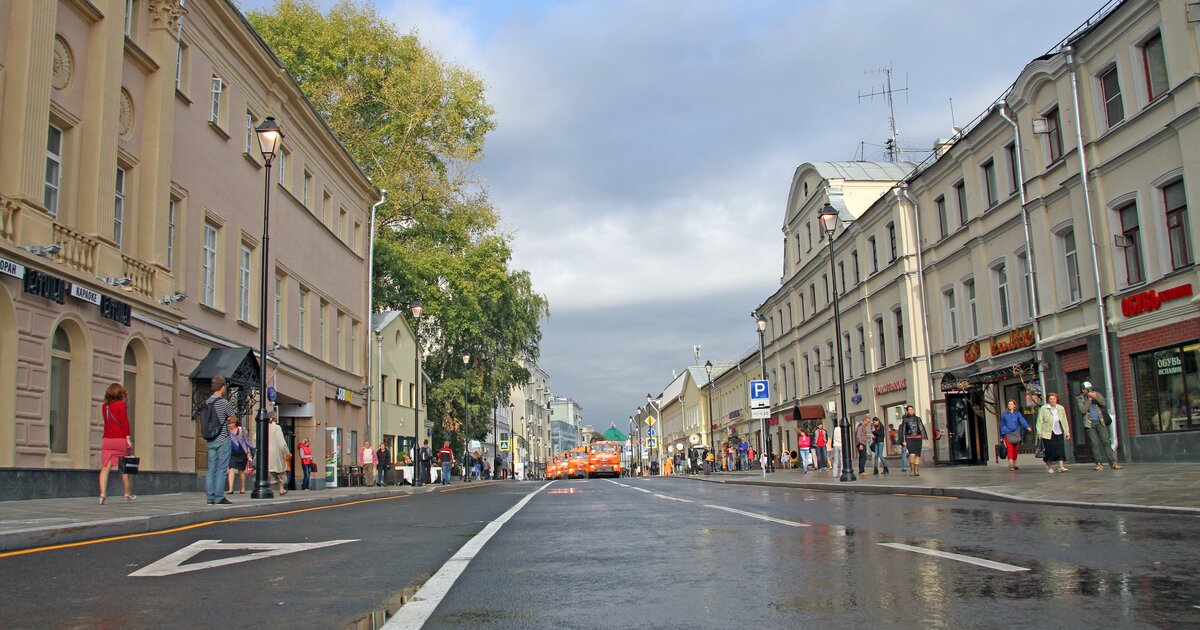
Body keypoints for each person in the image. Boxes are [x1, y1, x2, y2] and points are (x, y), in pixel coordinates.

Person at [98, 383, 134, 504]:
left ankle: (102, 494)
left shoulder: (104, 406)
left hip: (107, 441)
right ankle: (127, 494)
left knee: (105, 468)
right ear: (120, 393)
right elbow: (124, 422)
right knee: (124, 469)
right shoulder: (121, 404)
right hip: (120, 440)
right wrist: (128, 438)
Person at [1076, 382, 1123, 470]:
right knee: (1094, 444)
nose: (1090, 390)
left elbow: (1104, 404)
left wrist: (1095, 397)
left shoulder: (1097, 394)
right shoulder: (1080, 398)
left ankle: (1113, 462)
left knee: (1106, 442)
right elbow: (1083, 410)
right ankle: (1099, 463)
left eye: (1090, 388)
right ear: (1083, 390)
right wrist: (1089, 399)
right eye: (1087, 389)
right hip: (1089, 423)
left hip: (1100, 422)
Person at [204, 376, 236, 505]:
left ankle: (210, 498)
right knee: (222, 469)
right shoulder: (223, 402)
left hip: (210, 439)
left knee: (211, 468)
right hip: (223, 439)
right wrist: (228, 420)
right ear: (222, 387)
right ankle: (218, 497)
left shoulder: (207, 402)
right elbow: (233, 418)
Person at [1037, 392, 1071, 474]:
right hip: (1047, 432)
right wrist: (1039, 433)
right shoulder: (1043, 408)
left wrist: (1067, 432)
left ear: (1057, 400)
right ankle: (1050, 467)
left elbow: (1064, 421)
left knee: (1060, 449)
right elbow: (1039, 421)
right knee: (1049, 450)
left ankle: (1061, 466)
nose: (1052, 401)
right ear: (1048, 400)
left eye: (1054, 399)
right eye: (1050, 399)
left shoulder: (1060, 408)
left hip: (1058, 431)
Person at [999, 400, 1032, 470]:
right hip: (1007, 433)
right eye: (1009, 404)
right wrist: (1001, 436)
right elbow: (1001, 425)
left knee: (1015, 449)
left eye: (1011, 404)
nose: (1010, 405)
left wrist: (1027, 426)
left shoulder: (1017, 414)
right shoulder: (1004, 415)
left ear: (1014, 406)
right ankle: (1011, 464)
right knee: (1009, 448)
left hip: (1016, 433)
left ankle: (1014, 463)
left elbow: (1022, 420)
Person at [227, 417, 253, 494]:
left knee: (241, 470)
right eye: (228, 424)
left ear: (235, 423)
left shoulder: (242, 430)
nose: (230, 425)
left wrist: (250, 450)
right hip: (232, 453)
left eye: (231, 423)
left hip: (242, 452)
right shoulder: (227, 431)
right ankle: (230, 489)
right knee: (231, 469)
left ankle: (242, 488)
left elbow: (247, 440)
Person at [900, 405, 927, 476]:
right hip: (909, 438)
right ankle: (912, 470)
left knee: (917, 455)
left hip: (918, 438)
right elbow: (903, 430)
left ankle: (916, 470)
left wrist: (924, 437)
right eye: (909, 410)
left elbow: (921, 427)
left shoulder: (918, 418)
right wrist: (903, 440)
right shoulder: (905, 419)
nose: (911, 411)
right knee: (912, 454)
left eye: (912, 409)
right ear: (907, 411)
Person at [268, 414, 290, 495]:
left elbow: (255, 437)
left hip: (266, 452)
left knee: (268, 471)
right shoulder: (277, 428)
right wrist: (286, 452)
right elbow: (282, 443)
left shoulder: (263, 426)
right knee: (280, 471)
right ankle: (281, 489)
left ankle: (268, 489)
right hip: (276, 452)